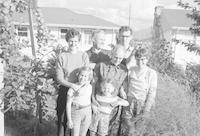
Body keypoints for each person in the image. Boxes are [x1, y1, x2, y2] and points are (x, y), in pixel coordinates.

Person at [56, 28, 89, 136]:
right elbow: (59, 78)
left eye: (75, 41)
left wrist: (80, 87)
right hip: (66, 89)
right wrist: (71, 85)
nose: (73, 43)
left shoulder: (83, 56)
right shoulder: (62, 56)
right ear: (67, 41)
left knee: (75, 122)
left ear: (78, 41)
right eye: (71, 40)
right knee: (62, 119)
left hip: (80, 91)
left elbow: (87, 74)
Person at [93, 45, 128, 136]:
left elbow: (122, 85)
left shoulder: (124, 70)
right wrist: (93, 100)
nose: (117, 60)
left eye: (120, 58)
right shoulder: (101, 66)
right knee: (94, 130)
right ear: (111, 54)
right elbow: (93, 84)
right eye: (116, 57)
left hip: (113, 106)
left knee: (110, 131)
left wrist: (122, 91)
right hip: (99, 103)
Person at [122, 48, 158, 136]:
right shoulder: (131, 70)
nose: (140, 62)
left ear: (147, 59)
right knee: (129, 130)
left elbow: (151, 93)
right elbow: (125, 86)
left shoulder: (151, 73)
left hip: (142, 104)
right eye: (137, 59)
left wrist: (146, 110)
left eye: (142, 59)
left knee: (138, 131)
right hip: (129, 103)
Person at [66, 67, 93, 136]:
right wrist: (69, 120)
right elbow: (68, 104)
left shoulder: (89, 86)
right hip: (76, 112)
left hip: (87, 112)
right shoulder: (73, 88)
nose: (83, 78)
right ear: (78, 75)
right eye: (81, 75)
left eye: (85, 76)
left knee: (83, 134)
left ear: (89, 78)